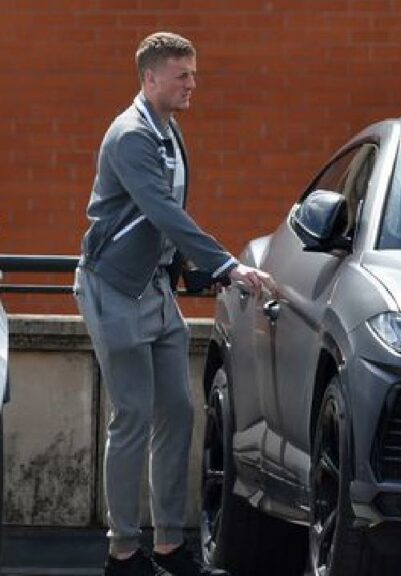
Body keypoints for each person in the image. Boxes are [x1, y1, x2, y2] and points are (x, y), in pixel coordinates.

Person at [73, 32, 274, 576]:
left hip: (156, 288)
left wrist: (185, 270)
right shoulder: (131, 135)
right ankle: (122, 553)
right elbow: (162, 211)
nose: (193, 84)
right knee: (133, 415)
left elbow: (163, 220)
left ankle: (166, 545)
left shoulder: (169, 131)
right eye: (183, 74)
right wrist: (227, 265)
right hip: (114, 288)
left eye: (194, 73)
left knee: (179, 413)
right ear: (151, 78)